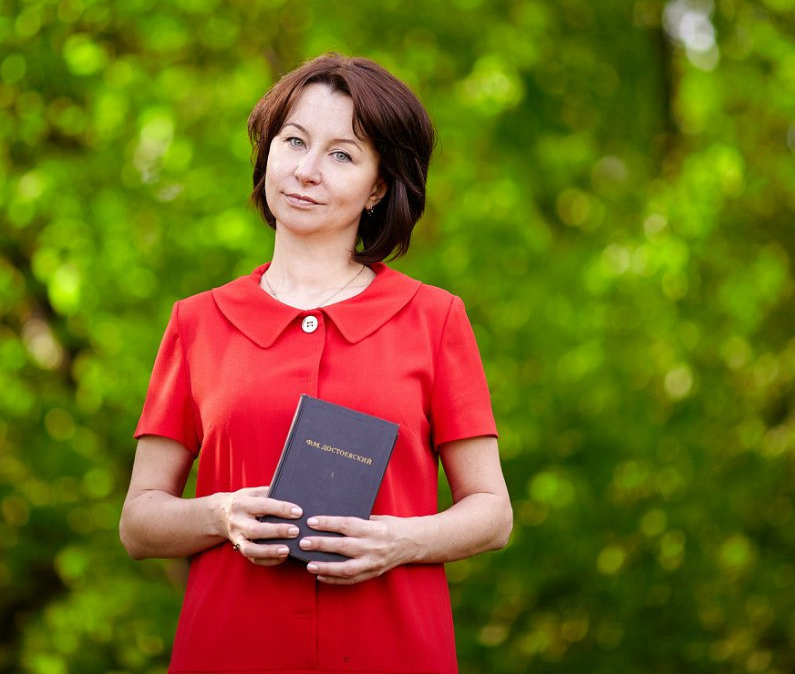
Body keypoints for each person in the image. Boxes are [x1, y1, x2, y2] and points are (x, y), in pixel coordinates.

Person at [120, 53, 512, 673]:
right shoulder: (197, 322)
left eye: (342, 155)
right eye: (294, 142)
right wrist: (220, 515)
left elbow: (491, 512)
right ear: (267, 153)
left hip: (392, 653)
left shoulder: (434, 319)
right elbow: (139, 522)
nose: (306, 171)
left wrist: (399, 540)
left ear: (378, 186)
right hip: (230, 651)